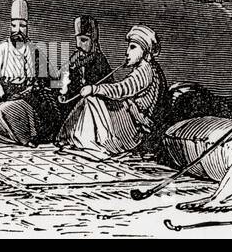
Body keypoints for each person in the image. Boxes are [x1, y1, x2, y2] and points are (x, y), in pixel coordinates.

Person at [58, 24, 168, 160]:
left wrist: (95, 89)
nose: (127, 52)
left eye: (133, 47)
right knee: (93, 100)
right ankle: (78, 140)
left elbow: (122, 89)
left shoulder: (145, 71)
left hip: (135, 130)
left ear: (145, 51)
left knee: (92, 99)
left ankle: (93, 146)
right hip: (131, 121)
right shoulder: (144, 69)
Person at [0, 0, 58, 145]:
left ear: (27, 27)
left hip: (31, 96)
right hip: (6, 95)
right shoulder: (1, 49)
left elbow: (53, 74)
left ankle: (30, 136)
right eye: (14, 25)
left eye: (22, 26)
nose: (18, 30)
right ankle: (22, 137)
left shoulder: (34, 50)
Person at [58, 15, 111, 115]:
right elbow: (62, 79)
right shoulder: (74, 59)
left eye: (83, 40)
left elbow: (107, 91)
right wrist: (63, 92)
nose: (78, 45)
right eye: (77, 40)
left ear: (93, 41)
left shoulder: (100, 62)